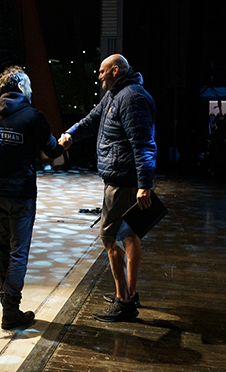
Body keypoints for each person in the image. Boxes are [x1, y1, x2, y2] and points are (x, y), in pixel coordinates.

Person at [59, 54, 156, 322]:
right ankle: (130, 292)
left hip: (124, 182)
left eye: (102, 72)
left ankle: (124, 302)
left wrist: (144, 184)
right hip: (123, 179)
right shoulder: (116, 94)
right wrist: (71, 134)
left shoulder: (130, 97)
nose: (99, 76)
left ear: (115, 70)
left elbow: (144, 143)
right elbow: (92, 120)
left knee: (108, 237)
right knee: (130, 236)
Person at [0, 65, 64, 330]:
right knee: (19, 253)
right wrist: (65, 142)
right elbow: (52, 152)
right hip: (21, 195)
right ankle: (11, 309)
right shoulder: (33, 116)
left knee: (1, 250)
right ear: (20, 86)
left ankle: (6, 305)